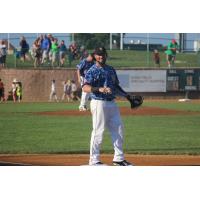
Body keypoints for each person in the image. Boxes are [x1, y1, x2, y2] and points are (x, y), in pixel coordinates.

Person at [82, 47, 132, 166]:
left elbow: (116, 87)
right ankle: (94, 160)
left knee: (119, 129)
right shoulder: (92, 70)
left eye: (103, 54)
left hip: (112, 103)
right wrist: (98, 89)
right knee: (98, 131)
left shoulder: (110, 69)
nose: (101, 56)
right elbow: (85, 87)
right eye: (98, 55)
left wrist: (128, 96)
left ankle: (118, 158)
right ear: (94, 56)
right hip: (98, 102)